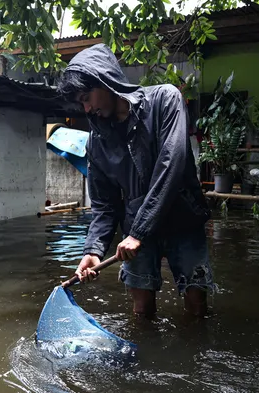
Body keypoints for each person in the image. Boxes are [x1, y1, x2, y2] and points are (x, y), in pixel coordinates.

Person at [56, 44, 216, 318]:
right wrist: (93, 249)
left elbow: (171, 165)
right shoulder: (97, 141)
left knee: (196, 303)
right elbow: (105, 206)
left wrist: (138, 233)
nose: (87, 108)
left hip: (183, 218)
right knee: (141, 310)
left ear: (105, 80)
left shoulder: (165, 100)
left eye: (87, 97)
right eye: (81, 103)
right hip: (135, 228)